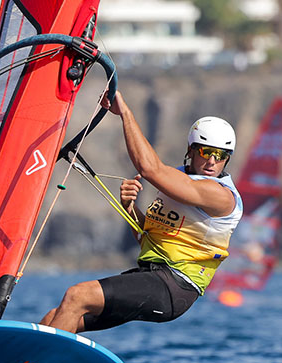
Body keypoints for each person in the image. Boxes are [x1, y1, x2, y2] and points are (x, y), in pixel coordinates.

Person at [40, 91, 243, 333]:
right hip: (150, 276)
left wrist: (124, 113)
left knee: (77, 295)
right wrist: (129, 207)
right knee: (57, 316)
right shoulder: (177, 178)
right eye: (205, 151)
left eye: (220, 155)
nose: (211, 161)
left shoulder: (221, 195)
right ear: (191, 149)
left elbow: (149, 169)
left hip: (173, 287)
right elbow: (145, 237)